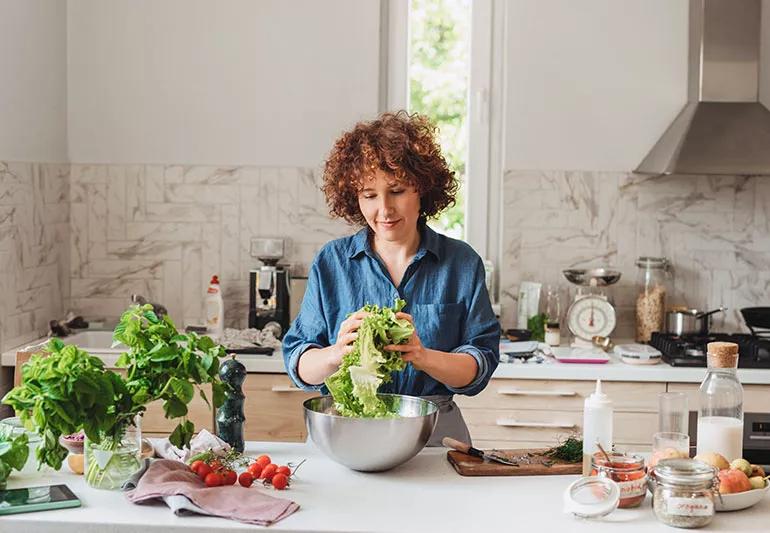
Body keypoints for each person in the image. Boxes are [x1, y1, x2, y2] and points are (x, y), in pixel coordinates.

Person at [282, 111, 499, 445]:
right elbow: (299, 363)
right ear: (353, 197)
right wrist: (337, 353)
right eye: (369, 195)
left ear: (422, 189)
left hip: (434, 433)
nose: (384, 209)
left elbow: (480, 364)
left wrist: (423, 356)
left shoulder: (462, 262)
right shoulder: (332, 261)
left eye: (396, 191)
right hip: (347, 433)